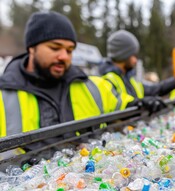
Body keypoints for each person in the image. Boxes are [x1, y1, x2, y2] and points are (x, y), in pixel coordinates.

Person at [0, 11, 149, 140]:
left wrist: (143, 103)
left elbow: (121, 104)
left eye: (70, 50)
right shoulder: (3, 96)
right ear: (31, 48)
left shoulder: (93, 87)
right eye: (55, 48)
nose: (64, 56)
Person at [98, 30, 175, 101]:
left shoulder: (129, 80)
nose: (135, 60)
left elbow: (153, 90)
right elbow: (118, 105)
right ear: (123, 55)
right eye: (133, 55)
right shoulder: (107, 81)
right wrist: (141, 103)